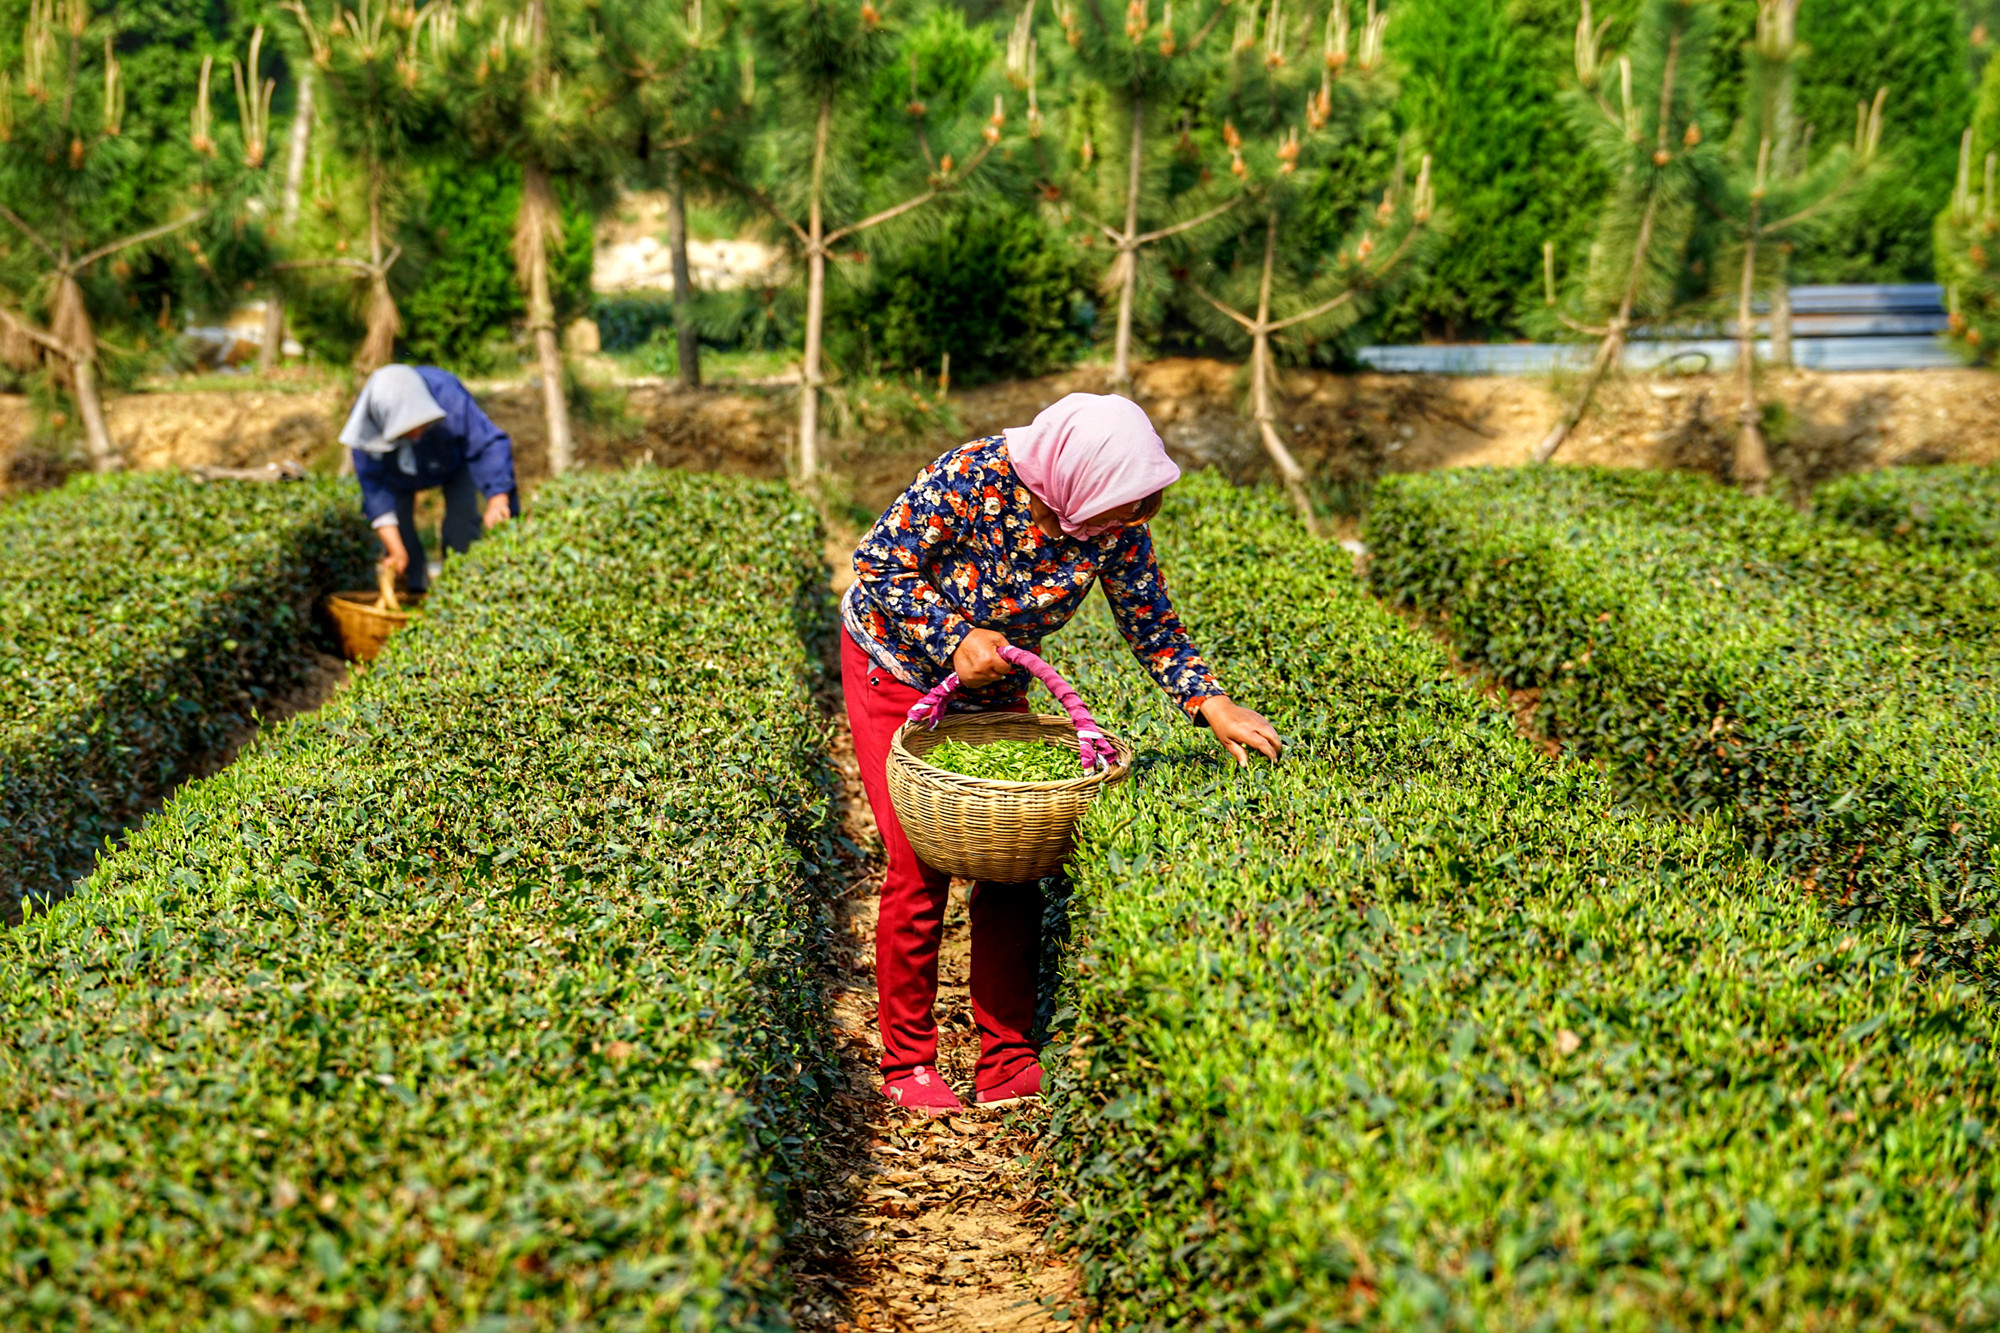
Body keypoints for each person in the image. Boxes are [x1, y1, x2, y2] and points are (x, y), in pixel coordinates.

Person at [842, 392, 1283, 1117]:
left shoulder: (1113, 522)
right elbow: (879, 566)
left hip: (998, 683)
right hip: (896, 667)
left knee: (1011, 859)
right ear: (1072, 477)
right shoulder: (971, 477)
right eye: (1119, 507)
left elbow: (1150, 619)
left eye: (1136, 508)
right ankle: (908, 1060)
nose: (1126, 522)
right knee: (919, 863)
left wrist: (1210, 702)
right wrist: (954, 636)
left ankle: (1006, 1057)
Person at [339, 363, 519, 593]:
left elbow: (487, 444)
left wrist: (498, 500)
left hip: (453, 462)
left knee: (461, 529)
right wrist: (396, 550)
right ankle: (414, 590)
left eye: (419, 425)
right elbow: (375, 492)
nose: (415, 434)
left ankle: (461, 588)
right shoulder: (368, 425)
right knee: (401, 542)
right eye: (406, 429)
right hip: (397, 475)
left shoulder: (448, 395)